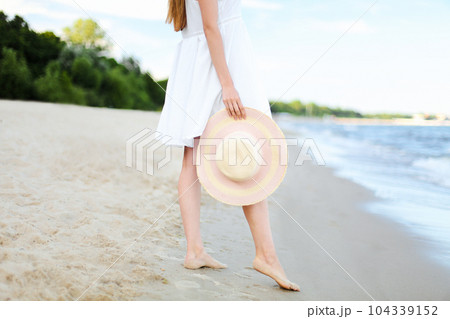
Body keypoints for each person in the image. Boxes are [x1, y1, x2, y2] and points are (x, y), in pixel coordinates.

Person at [157, 0, 300, 291]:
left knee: (193, 157)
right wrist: (228, 84)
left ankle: (195, 250)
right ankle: (266, 255)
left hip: (201, 59)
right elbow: (211, 26)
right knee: (247, 150)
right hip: (219, 61)